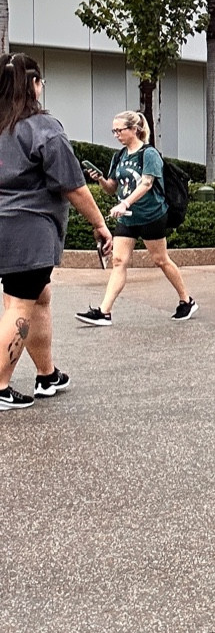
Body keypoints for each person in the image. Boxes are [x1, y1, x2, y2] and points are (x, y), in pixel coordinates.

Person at [0, 53, 113, 410]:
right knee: (20, 304)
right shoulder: (43, 128)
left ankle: (46, 374)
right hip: (29, 231)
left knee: (38, 296)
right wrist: (100, 224)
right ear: (33, 85)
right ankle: (0, 385)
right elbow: (73, 186)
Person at [75, 110, 198, 325]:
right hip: (127, 218)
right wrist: (101, 179)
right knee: (119, 261)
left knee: (160, 259)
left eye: (119, 130)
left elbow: (147, 183)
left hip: (151, 215)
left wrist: (125, 203)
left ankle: (186, 300)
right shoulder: (119, 156)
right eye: (114, 131)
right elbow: (112, 188)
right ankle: (104, 312)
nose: (116, 135)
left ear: (134, 129)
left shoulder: (149, 154)